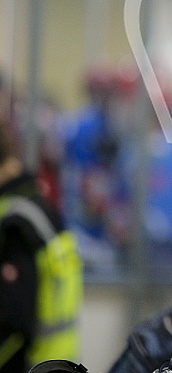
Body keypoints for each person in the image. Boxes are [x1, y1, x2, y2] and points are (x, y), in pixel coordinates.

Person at [0, 119, 82, 372]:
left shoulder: (16, 225)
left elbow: (12, 319)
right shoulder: (38, 208)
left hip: (26, 362)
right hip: (52, 360)